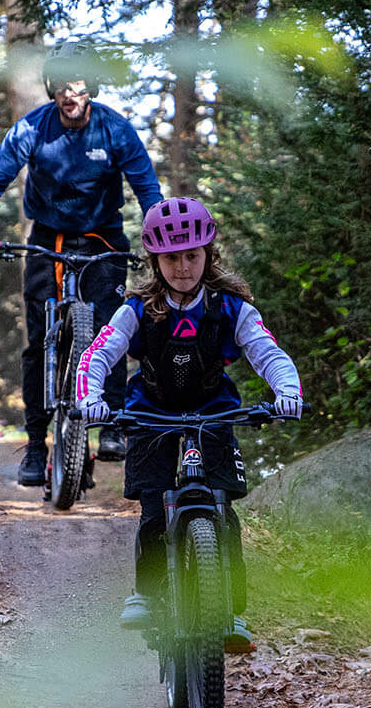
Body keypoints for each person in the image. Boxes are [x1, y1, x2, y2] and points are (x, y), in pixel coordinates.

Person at [73, 197, 302, 654]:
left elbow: (266, 352)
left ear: (208, 255)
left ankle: (230, 610)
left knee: (224, 511)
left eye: (192, 255)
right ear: (156, 262)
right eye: (172, 258)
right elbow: (99, 354)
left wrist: (287, 392)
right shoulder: (136, 308)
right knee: (155, 509)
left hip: (214, 410)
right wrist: (91, 398)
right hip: (149, 412)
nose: (182, 267)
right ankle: (147, 592)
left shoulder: (230, 307)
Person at [0, 51, 163, 485]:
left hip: (103, 237)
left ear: (91, 89)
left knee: (113, 328)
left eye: (78, 87)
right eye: (62, 87)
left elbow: (148, 189)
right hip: (48, 238)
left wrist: (161, 239)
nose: (70, 95)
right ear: (52, 90)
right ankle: (36, 448)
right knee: (38, 342)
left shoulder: (114, 129)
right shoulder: (34, 128)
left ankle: (111, 425)